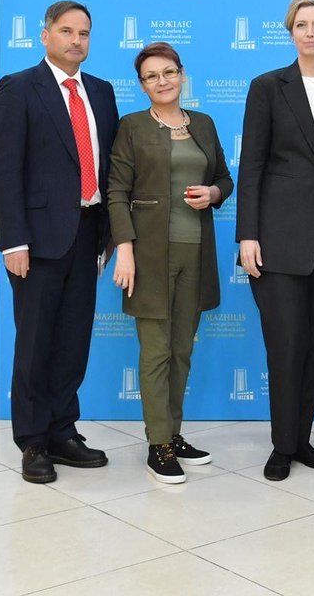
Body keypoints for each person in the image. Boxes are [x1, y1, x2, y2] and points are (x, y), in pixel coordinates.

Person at [0, 0, 118, 484]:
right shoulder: (19, 89)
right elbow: (3, 172)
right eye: (66, 31)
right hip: (36, 241)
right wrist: (13, 240)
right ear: (45, 35)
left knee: (72, 342)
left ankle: (64, 431)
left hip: (87, 236)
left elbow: (108, 168)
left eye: (84, 33)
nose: (76, 41)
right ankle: (34, 441)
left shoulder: (102, 93)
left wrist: (109, 236)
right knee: (36, 342)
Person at [237, 0, 314, 482]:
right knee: (285, 347)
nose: (310, 32)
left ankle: (302, 438)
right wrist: (248, 235)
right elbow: (253, 166)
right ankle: (281, 446)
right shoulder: (267, 87)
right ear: (291, 32)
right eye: (301, 24)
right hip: (279, 240)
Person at [107, 42, 233, 484]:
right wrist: (124, 248)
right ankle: (157, 444)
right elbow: (117, 190)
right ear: (141, 85)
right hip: (148, 255)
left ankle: (174, 434)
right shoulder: (133, 127)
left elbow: (223, 178)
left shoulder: (203, 123)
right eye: (151, 76)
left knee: (182, 349)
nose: (162, 81)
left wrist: (213, 194)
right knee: (156, 351)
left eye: (169, 72)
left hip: (196, 252)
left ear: (182, 74)